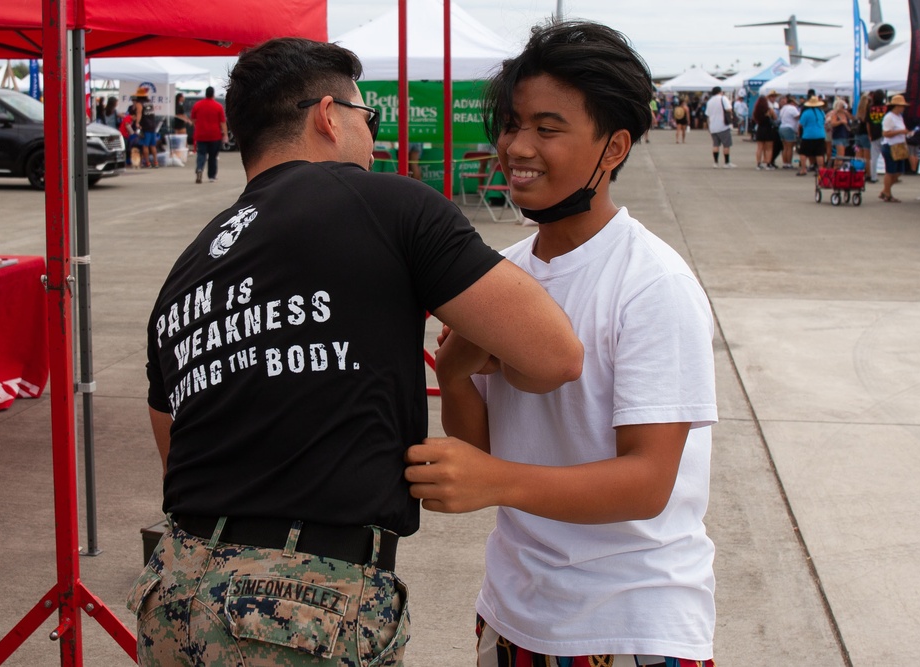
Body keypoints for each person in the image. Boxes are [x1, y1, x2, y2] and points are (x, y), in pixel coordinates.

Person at [130, 36, 584, 667]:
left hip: (174, 593)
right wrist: (455, 359)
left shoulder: (188, 269)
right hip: (296, 606)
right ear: (327, 116)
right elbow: (554, 355)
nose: (373, 140)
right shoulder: (385, 204)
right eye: (370, 120)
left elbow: (177, 450)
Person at [405, 20, 717, 667]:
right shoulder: (501, 274)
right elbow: (478, 452)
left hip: (631, 620)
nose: (516, 146)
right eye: (513, 123)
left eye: (547, 129)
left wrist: (498, 480)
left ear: (614, 147)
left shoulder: (652, 282)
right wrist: (456, 371)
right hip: (513, 611)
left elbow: (648, 480)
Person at [190, 86, 227, 183]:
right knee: (212, 156)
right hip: (215, 135)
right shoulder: (218, 106)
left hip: (201, 135)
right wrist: (225, 135)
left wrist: (197, 126)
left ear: (205, 94)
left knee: (201, 154)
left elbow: (193, 120)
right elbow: (222, 122)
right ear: (213, 94)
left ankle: (199, 169)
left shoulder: (197, 105)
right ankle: (211, 176)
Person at [879, 93, 912, 202]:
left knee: (898, 171)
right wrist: (901, 131)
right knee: (890, 171)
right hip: (890, 146)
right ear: (897, 106)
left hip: (899, 145)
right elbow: (885, 133)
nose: (903, 108)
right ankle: (887, 193)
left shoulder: (899, 117)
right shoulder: (889, 117)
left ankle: (885, 190)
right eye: (902, 106)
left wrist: (905, 133)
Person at [797, 96, 827, 177]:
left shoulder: (806, 113)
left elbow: (801, 124)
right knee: (819, 153)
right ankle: (820, 170)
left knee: (803, 152)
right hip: (820, 134)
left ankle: (803, 169)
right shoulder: (821, 112)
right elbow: (825, 122)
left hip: (808, 135)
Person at [705, 85, 734, 168]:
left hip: (713, 126)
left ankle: (715, 162)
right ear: (720, 91)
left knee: (715, 145)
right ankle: (726, 162)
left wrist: (709, 127)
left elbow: (708, 115)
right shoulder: (723, 98)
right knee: (726, 145)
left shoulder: (709, 101)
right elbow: (728, 109)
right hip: (723, 125)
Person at [133, 87, 160, 168]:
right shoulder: (149, 102)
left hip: (145, 125)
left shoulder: (139, 103)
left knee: (145, 145)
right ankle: (156, 162)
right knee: (153, 145)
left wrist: (137, 122)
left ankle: (147, 163)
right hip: (152, 125)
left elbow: (139, 113)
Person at [867, 90, 888, 183]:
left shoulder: (870, 108)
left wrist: (869, 134)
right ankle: (889, 175)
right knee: (887, 156)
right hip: (885, 133)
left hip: (874, 134)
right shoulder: (886, 108)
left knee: (874, 157)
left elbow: (868, 123)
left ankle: (873, 176)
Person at [753, 90, 777, 169]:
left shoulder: (756, 111)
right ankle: (768, 163)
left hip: (760, 129)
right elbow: (775, 118)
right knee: (769, 148)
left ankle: (758, 164)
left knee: (759, 148)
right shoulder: (769, 109)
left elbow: (754, 119)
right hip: (768, 129)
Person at [854, 93, 873, 181]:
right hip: (865, 135)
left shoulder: (858, 111)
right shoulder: (868, 111)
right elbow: (868, 125)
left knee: (858, 156)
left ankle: (857, 173)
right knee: (867, 157)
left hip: (857, 135)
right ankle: (868, 174)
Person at [778, 95, 800, 169]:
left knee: (785, 147)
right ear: (792, 102)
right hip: (789, 128)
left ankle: (785, 163)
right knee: (790, 147)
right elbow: (797, 116)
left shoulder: (783, 108)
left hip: (782, 127)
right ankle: (789, 163)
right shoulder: (792, 108)